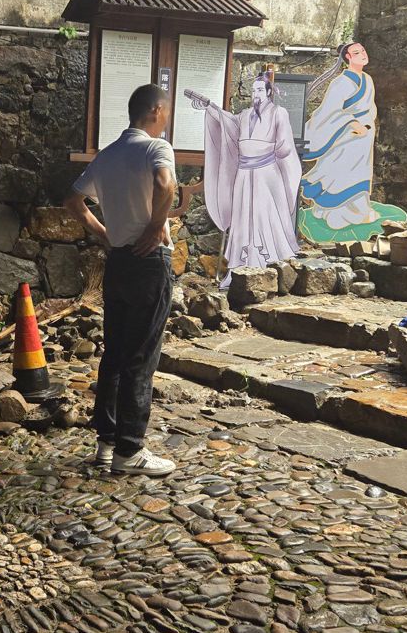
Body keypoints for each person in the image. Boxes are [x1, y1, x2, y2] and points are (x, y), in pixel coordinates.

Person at [70, 85, 182, 477]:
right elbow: (166, 185)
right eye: (166, 111)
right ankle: (130, 449)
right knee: (142, 356)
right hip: (149, 261)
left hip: (118, 261)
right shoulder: (156, 148)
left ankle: (106, 443)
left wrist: (105, 234)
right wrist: (155, 227)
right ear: (155, 110)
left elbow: (73, 200)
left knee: (115, 353)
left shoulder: (109, 155)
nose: (166, 118)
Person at [183, 71, 301, 278]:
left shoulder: (278, 113)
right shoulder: (245, 115)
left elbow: (284, 144)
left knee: (264, 216)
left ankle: (268, 265)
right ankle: (238, 267)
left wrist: (265, 149)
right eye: (253, 90)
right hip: (244, 174)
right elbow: (228, 123)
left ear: (268, 92)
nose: (255, 94)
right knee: (242, 218)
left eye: (259, 90)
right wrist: (210, 107)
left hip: (266, 173)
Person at [299, 42, 380, 242]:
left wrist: (367, 124)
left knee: (360, 173)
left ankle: (360, 211)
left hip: (364, 136)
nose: (362, 54)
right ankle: (335, 214)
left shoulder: (368, 80)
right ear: (347, 58)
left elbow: (371, 107)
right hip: (345, 136)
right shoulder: (341, 82)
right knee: (340, 174)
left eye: (363, 50)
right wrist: (350, 122)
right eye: (356, 52)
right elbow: (330, 111)